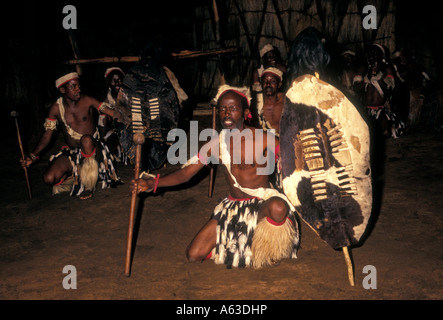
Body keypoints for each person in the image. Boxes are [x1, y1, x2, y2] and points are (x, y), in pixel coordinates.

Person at [130, 85, 300, 269]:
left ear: (244, 112)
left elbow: (294, 160)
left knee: (278, 207)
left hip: (262, 206)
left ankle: (267, 243)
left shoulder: (264, 138)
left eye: (233, 108)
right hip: (234, 208)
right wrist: (151, 182)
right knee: (194, 254)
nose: (227, 113)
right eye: (222, 109)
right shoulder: (215, 144)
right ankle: (245, 245)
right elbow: (186, 173)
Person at [21, 72, 123, 199]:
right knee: (49, 178)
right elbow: (47, 136)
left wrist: (131, 118)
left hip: (94, 150)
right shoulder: (56, 108)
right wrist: (32, 155)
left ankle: (88, 184)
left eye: (78, 86)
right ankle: (77, 175)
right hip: (74, 153)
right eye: (73, 86)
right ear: (63, 90)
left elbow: (111, 113)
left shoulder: (87, 100)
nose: (78, 89)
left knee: (86, 140)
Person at [99, 67, 126, 162]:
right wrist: (104, 139)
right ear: (108, 82)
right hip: (113, 132)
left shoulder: (129, 96)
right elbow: (102, 123)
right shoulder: (106, 100)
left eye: (119, 80)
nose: (117, 83)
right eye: (114, 80)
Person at [255, 67, 285, 135]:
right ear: (261, 84)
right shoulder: (256, 103)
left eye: (272, 81)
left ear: (279, 84)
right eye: (265, 81)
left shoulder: (286, 101)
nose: (268, 84)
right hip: (264, 143)